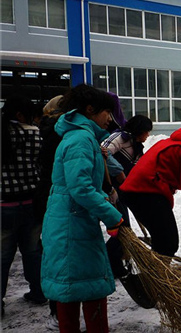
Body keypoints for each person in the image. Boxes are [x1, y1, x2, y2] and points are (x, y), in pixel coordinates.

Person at [41, 84, 123, 332]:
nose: (110, 118)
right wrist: (112, 216)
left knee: (73, 287)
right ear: (91, 110)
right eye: (107, 112)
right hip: (71, 225)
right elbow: (80, 188)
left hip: (71, 221)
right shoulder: (80, 139)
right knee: (85, 285)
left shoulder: (82, 137)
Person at [119, 124, 181, 256]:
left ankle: (145, 272)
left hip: (135, 190)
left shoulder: (171, 142)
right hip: (145, 192)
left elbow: (167, 171)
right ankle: (155, 275)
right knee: (167, 243)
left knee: (162, 238)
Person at [1, 96, 46, 317]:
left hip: (3, 205)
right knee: (33, 251)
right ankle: (38, 292)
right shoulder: (35, 133)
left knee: (2, 257)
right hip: (31, 203)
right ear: (20, 115)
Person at [101, 114, 152, 278]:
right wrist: (119, 172)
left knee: (124, 228)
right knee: (122, 228)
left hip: (126, 190)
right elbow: (102, 152)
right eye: (147, 132)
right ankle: (111, 264)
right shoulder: (119, 138)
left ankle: (114, 262)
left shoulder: (137, 145)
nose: (148, 136)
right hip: (111, 189)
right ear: (139, 131)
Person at [32, 95, 66, 330]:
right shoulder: (59, 134)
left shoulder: (45, 131)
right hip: (56, 199)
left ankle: (58, 309)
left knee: (51, 252)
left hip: (45, 197)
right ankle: (58, 312)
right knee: (58, 255)